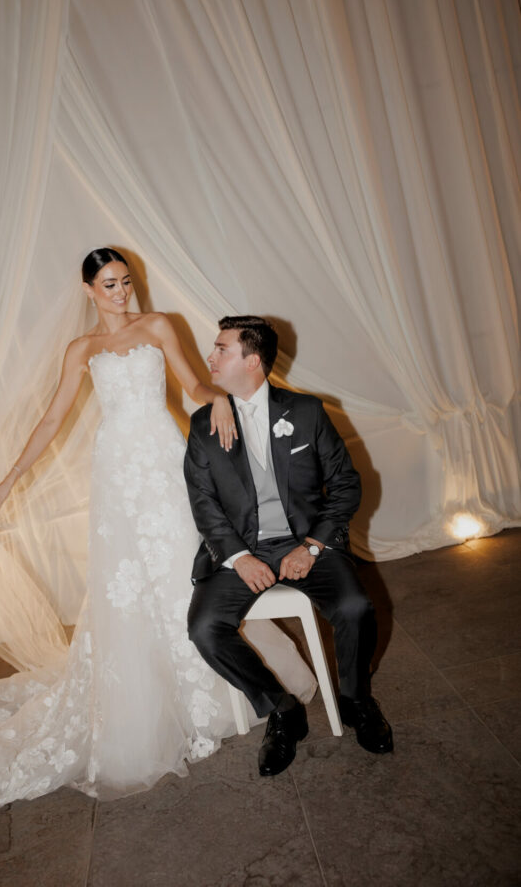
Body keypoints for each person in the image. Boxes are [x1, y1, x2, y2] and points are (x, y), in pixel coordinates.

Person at [0, 250, 316, 851]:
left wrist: (215, 397)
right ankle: (150, 707)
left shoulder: (159, 326)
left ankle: (230, 685)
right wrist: (8, 481)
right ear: (88, 290)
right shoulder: (81, 350)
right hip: (116, 473)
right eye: (109, 285)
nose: (121, 293)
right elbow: (52, 419)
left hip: (165, 465)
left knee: (187, 570)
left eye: (126, 283)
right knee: (129, 583)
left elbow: (192, 381)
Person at [184, 315, 393, 778]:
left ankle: (357, 700)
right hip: (240, 549)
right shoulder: (203, 425)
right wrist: (239, 558)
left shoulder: (307, 412)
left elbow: (346, 486)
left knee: (357, 607)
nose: (210, 357)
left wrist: (314, 546)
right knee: (204, 627)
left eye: (222, 349)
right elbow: (204, 505)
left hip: (306, 543)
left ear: (253, 361)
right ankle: (281, 709)